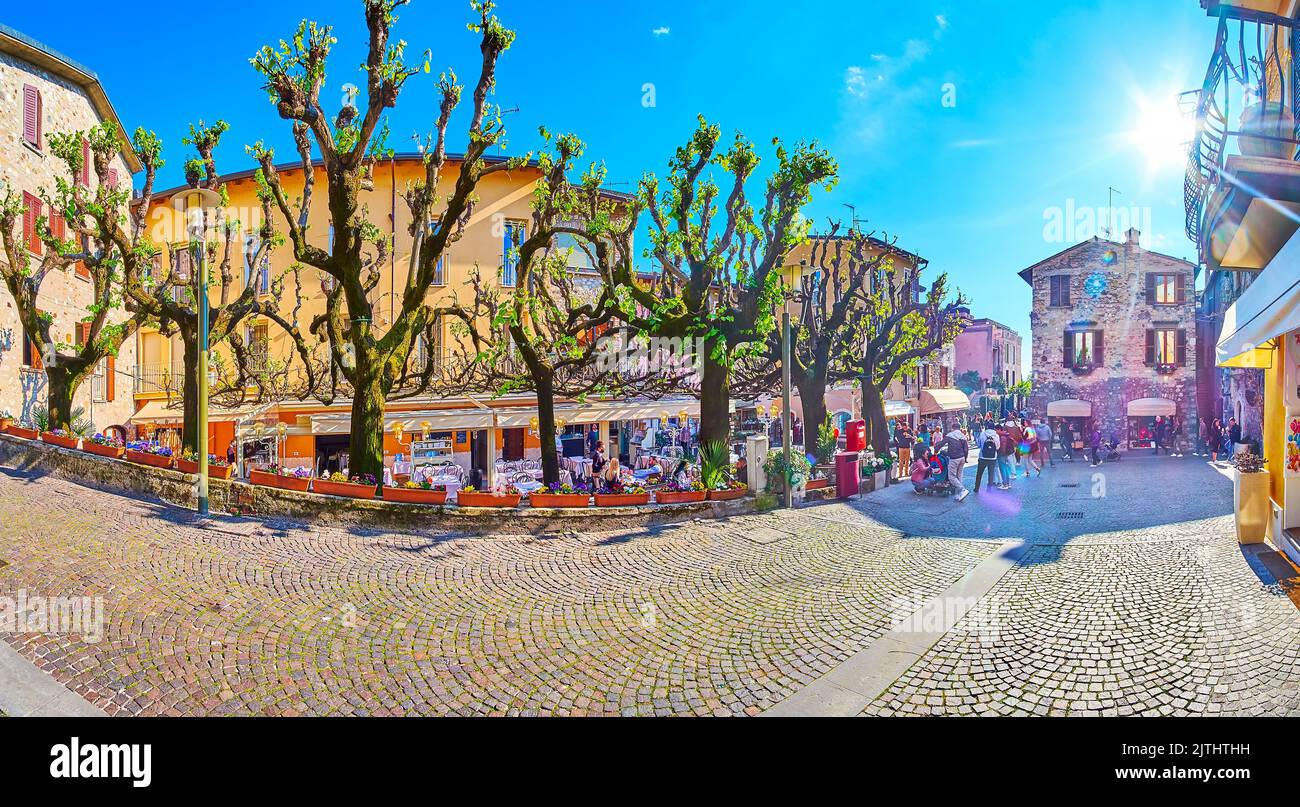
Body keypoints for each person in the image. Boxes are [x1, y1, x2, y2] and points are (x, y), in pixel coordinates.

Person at [944, 426, 970, 502]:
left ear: (953, 428)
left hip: (954, 458)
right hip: (962, 457)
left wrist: (935, 450)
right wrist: (966, 458)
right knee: (959, 475)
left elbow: (941, 443)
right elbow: (966, 448)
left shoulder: (950, 435)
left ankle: (962, 489)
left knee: (951, 476)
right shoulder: (963, 436)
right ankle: (959, 495)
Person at [974, 427, 1000, 493]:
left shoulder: (982, 434)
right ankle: (989, 489)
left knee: (979, 473)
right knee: (991, 474)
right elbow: (997, 447)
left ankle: (976, 488)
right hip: (993, 458)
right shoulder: (996, 435)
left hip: (982, 457)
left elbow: (978, 444)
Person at [994, 423, 1014, 489]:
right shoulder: (1005, 435)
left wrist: (1000, 453)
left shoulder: (1001, 436)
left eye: (996, 430)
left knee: (1002, 469)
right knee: (1005, 468)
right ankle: (1007, 483)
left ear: (999, 429)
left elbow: (1002, 447)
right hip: (1006, 454)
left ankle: (1005, 484)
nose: (995, 431)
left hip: (1001, 454)